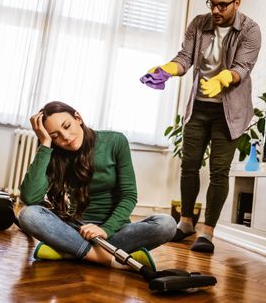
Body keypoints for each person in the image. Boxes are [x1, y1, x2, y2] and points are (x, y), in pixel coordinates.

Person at [142, 0, 261, 253]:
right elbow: (185, 57)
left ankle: (207, 232)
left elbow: (243, 67)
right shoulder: (199, 23)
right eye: (212, 4)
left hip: (229, 112)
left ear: (237, 2)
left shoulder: (250, 30)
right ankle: (185, 223)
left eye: (222, 5)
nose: (216, 11)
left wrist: (224, 78)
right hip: (199, 107)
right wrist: (167, 70)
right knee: (189, 165)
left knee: (219, 171)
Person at [18, 101, 176, 272]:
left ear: (78, 118)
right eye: (55, 136)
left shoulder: (115, 141)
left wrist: (105, 230)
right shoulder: (55, 153)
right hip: (76, 229)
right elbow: (30, 198)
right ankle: (104, 258)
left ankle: (69, 251)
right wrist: (45, 144)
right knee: (28, 215)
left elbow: (129, 195)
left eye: (67, 126)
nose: (65, 137)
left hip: (115, 230)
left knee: (166, 224)